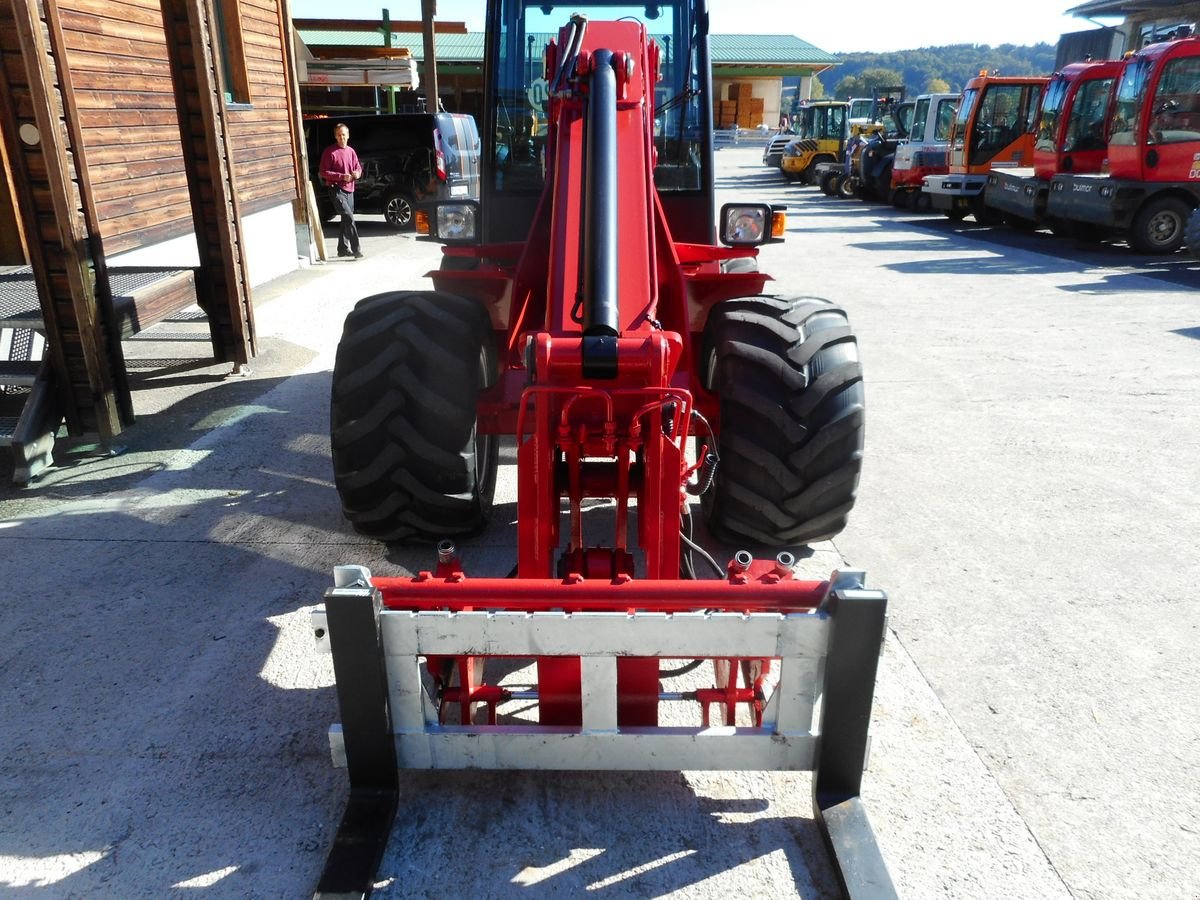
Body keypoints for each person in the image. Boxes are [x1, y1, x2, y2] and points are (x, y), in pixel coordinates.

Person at [319, 123, 363, 259]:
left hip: (350, 188)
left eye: (343, 134)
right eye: (338, 135)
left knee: (345, 219)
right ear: (335, 136)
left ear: (348, 135)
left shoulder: (351, 151)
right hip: (336, 189)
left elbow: (358, 168)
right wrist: (341, 176)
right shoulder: (329, 152)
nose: (341, 137)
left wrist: (357, 173)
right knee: (349, 217)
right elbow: (323, 172)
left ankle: (342, 249)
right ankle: (357, 249)